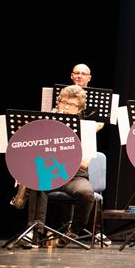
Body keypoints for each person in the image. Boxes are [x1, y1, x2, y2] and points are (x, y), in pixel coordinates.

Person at [25, 85, 96, 246]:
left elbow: (85, 164)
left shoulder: (87, 129)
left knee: (86, 193)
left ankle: (73, 232)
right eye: (62, 103)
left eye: (70, 105)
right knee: (38, 182)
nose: (64, 108)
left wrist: (66, 147)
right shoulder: (47, 126)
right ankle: (33, 233)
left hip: (74, 175)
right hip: (50, 172)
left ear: (79, 109)